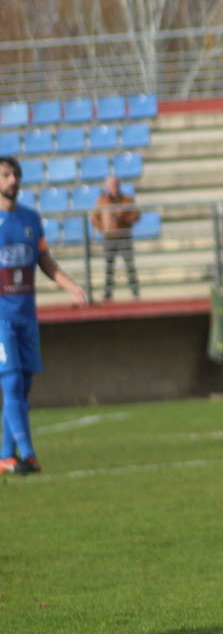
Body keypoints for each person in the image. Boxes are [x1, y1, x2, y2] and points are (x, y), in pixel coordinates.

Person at [0, 156, 87, 474]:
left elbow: (45, 261)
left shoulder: (30, 219)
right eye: (6, 175)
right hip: (1, 319)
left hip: (26, 316)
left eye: (16, 174)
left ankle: (6, 455)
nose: (13, 180)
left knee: (22, 386)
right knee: (10, 383)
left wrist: (72, 287)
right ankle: (28, 454)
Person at [92, 172, 141, 301]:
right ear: (108, 186)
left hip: (124, 236)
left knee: (129, 265)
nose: (114, 187)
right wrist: (104, 228)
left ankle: (135, 292)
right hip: (109, 238)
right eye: (111, 185)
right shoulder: (102, 201)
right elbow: (94, 218)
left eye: (115, 184)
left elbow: (136, 216)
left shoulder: (127, 200)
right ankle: (108, 294)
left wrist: (124, 218)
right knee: (109, 266)